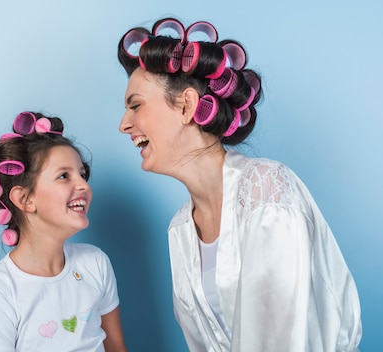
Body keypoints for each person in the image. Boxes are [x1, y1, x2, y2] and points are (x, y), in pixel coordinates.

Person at [116, 18, 362, 351]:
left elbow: (278, 341)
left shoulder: (266, 190)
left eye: (135, 105)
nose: (124, 124)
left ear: (187, 105)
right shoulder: (180, 230)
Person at [0, 111, 127, 352]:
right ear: (25, 199)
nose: (84, 185)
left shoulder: (95, 264)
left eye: (82, 174)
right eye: (64, 175)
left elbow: (116, 347)